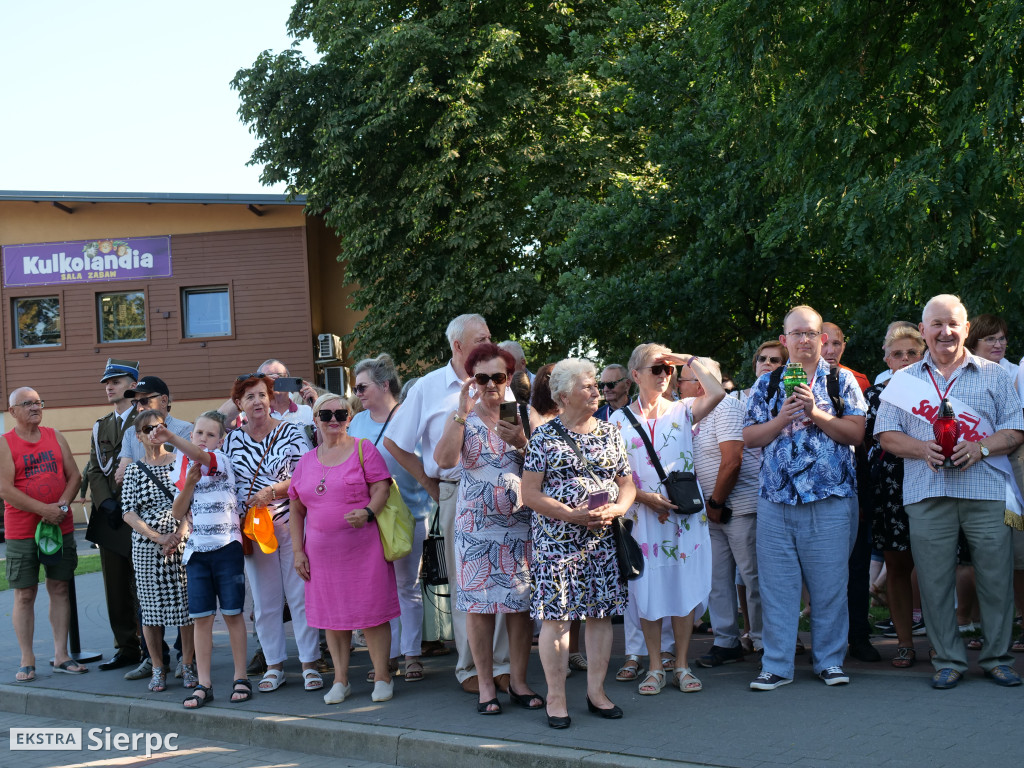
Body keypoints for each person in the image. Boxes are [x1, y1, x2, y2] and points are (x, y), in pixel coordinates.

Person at [875, 294, 1024, 689]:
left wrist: (982, 447)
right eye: (936, 324)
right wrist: (922, 448)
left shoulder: (994, 375)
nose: (945, 331)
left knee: (996, 579)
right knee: (935, 581)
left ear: (966, 329)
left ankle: (997, 657)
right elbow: (886, 435)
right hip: (926, 492)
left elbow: (1015, 429)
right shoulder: (903, 381)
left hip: (987, 491)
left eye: (953, 324)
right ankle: (947, 660)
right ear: (924, 331)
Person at [384, 313, 512, 694]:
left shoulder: (500, 378)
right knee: (466, 585)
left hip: (505, 492)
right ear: (458, 346)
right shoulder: (428, 386)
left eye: (491, 335)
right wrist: (428, 483)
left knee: (504, 579)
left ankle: (503, 666)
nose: (490, 342)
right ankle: (471, 668)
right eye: (482, 337)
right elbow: (394, 441)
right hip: (457, 490)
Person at [743, 305, 867, 690]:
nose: (803, 340)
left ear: (822, 339)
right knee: (777, 588)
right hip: (776, 500)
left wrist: (816, 413)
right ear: (784, 340)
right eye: (796, 333)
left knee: (830, 586)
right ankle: (777, 665)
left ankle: (829, 661)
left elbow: (856, 435)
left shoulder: (841, 381)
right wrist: (781, 418)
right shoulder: (767, 384)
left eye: (811, 333)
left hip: (831, 499)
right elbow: (749, 438)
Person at [522, 359, 637, 729]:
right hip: (557, 543)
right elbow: (530, 494)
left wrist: (618, 507)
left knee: (601, 617)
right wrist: (569, 514)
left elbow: (627, 483)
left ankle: (596, 693)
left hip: (602, 540)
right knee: (557, 620)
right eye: (587, 386)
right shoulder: (544, 436)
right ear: (562, 395)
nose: (595, 391)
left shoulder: (609, 432)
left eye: (595, 385)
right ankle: (556, 697)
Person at [434, 342, 542, 715]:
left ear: (509, 377)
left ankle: (518, 680)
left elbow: (548, 466)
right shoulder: (462, 415)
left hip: (518, 527)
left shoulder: (525, 414)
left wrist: (523, 443)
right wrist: (461, 414)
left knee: (519, 606)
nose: (491, 383)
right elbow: (444, 461)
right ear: (472, 380)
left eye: (498, 376)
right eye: (483, 377)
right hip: (476, 528)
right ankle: (484, 685)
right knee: (479, 609)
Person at [609, 346, 724, 695]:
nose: (663, 375)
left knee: (684, 584)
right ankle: (655, 666)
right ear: (635, 375)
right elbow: (613, 473)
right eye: (655, 369)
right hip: (641, 515)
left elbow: (717, 391)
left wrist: (688, 361)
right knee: (647, 589)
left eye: (667, 370)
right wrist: (644, 497)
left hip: (683, 515)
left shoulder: (684, 410)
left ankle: (683, 664)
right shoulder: (615, 421)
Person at [290, 393, 400, 704]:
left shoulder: (364, 449)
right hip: (321, 556)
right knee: (331, 618)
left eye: (341, 413)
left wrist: (367, 511)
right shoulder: (306, 462)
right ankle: (340, 680)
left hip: (364, 550)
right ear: (315, 421)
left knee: (372, 614)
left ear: (349, 417)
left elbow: (382, 487)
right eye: (326, 415)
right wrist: (298, 552)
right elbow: (296, 510)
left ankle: (382, 676)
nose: (334, 419)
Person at [223, 373, 320, 693]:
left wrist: (272, 492)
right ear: (239, 404)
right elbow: (226, 483)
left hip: (292, 524)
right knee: (265, 603)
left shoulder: (291, 431)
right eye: (249, 397)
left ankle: (309, 663)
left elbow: (306, 476)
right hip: (254, 531)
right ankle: (275, 665)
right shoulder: (232, 440)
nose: (257, 402)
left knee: (300, 596)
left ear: (270, 399)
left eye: (261, 395)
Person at [151, 412, 251, 708]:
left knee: (233, 614)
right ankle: (204, 684)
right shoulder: (182, 466)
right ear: (191, 434)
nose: (203, 439)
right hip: (196, 554)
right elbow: (178, 511)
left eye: (210, 435)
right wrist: (189, 484)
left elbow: (200, 455)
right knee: (201, 620)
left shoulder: (221, 461)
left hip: (226, 549)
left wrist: (170, 438)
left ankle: (241, 677)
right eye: (199, 433)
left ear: (221, 440)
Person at [349, 353, 430, 683]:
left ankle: (412, 655)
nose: (357, 394)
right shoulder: (356, 423)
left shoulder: (409, 417)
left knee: (407, 587)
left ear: (384, 385)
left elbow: (425, 465)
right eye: (355, 388)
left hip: (408, 515)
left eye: (362, 386)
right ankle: (388, 657)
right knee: (379, 590)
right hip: (370, 518)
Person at [1, 387, 86, 682]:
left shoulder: (54, 435)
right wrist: (43, 509)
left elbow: (75, 476)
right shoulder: (5, 443)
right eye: (28, 404)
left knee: (60, 588)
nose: (35, 408)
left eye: (38, 403)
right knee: (25, 593)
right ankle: (27, 658)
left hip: (58, 528)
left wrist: (61, 504)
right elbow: (6, 490)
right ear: (13, 412)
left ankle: (61, 655)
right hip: (23, 531)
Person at [686, 358, 764, 669]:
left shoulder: (727, 406)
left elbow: (733, 459)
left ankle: (764, 640)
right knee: (717, 578)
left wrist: (717, 502)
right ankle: (726, 640)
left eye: (682, 380)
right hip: (711, 510)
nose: (678, 386)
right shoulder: (693, 413)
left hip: (738, 508)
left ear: (701, 383)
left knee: (754, 576)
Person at [120, 409, 196, 693]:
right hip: (147, 548)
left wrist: (180, 533)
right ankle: (157, 667)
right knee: (150, 611)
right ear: (138, 436)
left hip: (181, 543)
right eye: (148, 428)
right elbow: (128, 512)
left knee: (186, 609)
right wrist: (158, 537)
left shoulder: (180, 462)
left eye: (159, 426)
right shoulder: (134, 470)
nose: (154, 432)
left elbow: (189, 503)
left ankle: (187, 664)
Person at [864, 325, 926, 668]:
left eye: (912, 353)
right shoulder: (873, 395)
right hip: (889, 487)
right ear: (886, 358)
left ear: (923, 355)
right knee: (897, 567)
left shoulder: (939, 393)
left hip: (933, 483)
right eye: (897, 354)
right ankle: (904, 643)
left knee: (934, 569)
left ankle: (938, 643)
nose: (904, 360)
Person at [86, 359, 144, 672]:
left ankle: (152, 647)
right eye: (107, 383)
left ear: (133, 385)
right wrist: (105, 502)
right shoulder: (101, 425)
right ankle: (125, 647)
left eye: (117, 381)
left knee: (143, 585)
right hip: (110, 515)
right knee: (115, 585)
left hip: (139, 513)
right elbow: (94, 468)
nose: (109, 387)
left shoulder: (146, 418)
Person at [115, 376, 194, 485]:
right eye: (135, 402)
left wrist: (134, 473)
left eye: (144, 401)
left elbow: (180, 473)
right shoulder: (130, 432)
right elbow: (122, 477)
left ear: (164, 400)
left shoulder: (185, 429)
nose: (139, 408)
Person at [219, 359, 318, 431]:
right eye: (267, 377)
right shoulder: (253, 412)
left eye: (280, 376)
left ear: (288, 378)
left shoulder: (307, 410)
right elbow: (221, 418)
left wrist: (317, 404)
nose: (274, 379)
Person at [822, 323, 871, 393]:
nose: (831, 351)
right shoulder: (802, 377)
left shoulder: (858, 380)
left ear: (843, 347)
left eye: (836, 344)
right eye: (824, 344)